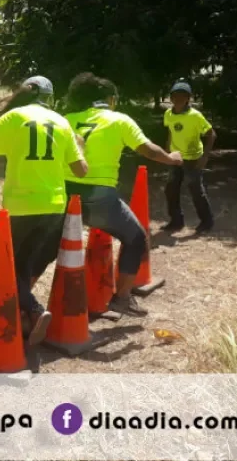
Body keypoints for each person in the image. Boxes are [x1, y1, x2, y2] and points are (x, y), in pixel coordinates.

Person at [0, 76, 88, 345]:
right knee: (25, 265)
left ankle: (34, 310)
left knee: (8, 269)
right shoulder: (61, 122)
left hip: (21, 206)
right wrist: (78, 148)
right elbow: (81, 170)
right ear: (49, 97)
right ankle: (24, 316)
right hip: (54, 206)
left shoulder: (14, 118)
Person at [60, 72, 183, 316]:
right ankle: (122, 299)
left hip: (62, 193)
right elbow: (147, 149)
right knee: (136, 238)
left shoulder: (66, 119)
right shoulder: (119, 120)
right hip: (98, 197)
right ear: (110, 99)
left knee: (45, 248)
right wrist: (171, 158)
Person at [163, 78, 217, 233]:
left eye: (182, 96)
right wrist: (167, 150)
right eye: (175, 96)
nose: (178, 99)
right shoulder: (168, 114)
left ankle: (207, 222)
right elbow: (170, 131)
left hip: (193, 158)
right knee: (171, 189)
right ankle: (176, 221)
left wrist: (205, 157)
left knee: (195, 190)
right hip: (175, 157)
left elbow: (212, 134)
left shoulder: (195, 116)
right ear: (171, 97)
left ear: (188, 98)